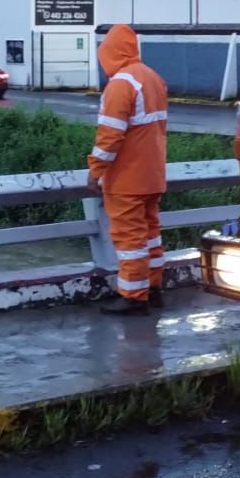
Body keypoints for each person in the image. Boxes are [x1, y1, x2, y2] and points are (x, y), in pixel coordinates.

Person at [88, 24, 168, 315]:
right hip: (153, 174)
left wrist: (95, 170)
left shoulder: (121, 84)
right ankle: (154, 288)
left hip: (127, 178)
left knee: (130, 237)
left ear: (108, 53)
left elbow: (110, 134)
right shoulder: (153, 78)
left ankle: (134, 297)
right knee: (151, 234)